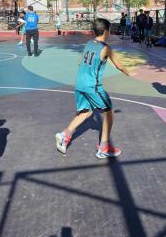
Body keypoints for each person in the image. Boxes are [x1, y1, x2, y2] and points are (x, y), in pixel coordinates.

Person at [55, 18, 132, 158]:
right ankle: (103, 148)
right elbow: (119, 65)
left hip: (80, 83)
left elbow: (80, 62)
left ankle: (64, 135)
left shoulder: (89, 43)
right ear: (107, 31)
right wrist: (130, 73)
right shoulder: (106, 48)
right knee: (109, 113)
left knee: (86, 112)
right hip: (93, 86)